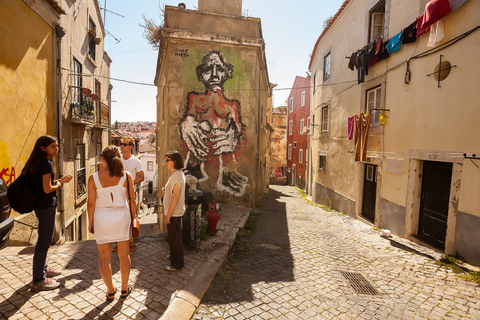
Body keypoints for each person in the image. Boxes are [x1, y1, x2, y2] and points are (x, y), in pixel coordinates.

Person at [179, 50, 248, 197]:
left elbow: (239, 133)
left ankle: (227, 174)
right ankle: (194, 168)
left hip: (224, 168)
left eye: (219, 69)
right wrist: (187, 124)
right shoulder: (195, 99)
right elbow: (188, 118)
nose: (214, 74)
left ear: (227, 73)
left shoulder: (232, 106)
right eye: (208, 69)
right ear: (200, 73)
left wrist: (234, 137)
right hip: (197, 164)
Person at [87, 145, 136, 300]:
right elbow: (132, 199)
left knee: (104, 257)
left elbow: (90, 204)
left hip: (102, 217)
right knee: (123, 254)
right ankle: (123, 289)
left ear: (103, 159)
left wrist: (90, 222)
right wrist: (133, 218)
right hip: (121, 216)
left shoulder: (93, 178)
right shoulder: (126, 176)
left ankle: (110, 290)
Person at [25, 135, 72, 291]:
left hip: (39, 206)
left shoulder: (35, 163)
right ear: (43, 148)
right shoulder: (47, 164)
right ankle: (38, 280)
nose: (56, 149)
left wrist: (58, 181)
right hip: (46, 207)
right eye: (53, 146)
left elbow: (42, 185)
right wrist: (59, 184)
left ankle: (43, 268)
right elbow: (47, 189)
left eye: (57, 146)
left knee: (43, 241)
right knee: (44, 243)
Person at [111, 137, 144, 252]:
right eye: (121, 144)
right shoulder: (117, 159)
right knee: (117, 217)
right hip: (117, 193)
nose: (122, 146)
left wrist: (130, 183)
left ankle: (131, 243)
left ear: (131, 146)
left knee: (131, 217)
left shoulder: (136, 161)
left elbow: (141, 176)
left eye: (124, 144)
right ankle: (118, 243)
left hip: (130, 193)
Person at [162, 151, 186, 271]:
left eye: (167, 160)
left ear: (174, 162)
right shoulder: (177, 174)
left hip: (174, 213)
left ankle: (177, 264)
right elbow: (173, 192)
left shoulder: (176, 176)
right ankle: (173, 256)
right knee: (173, 237)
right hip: (174, 212)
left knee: (174, 239)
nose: (165, 162)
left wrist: (168, 215)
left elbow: (176, 196)